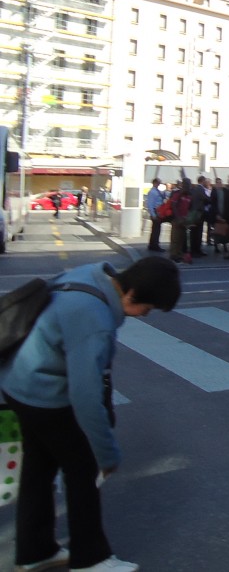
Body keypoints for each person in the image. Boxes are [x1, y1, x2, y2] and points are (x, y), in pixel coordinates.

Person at [0, 256, 181, 572]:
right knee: (83, 471)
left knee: (38, 469)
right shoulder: (93, 318)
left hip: (18, 383)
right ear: (131, 294)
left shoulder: (92, 275)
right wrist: (106, 455)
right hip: (44, 394)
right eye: (148, 308)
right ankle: (90, 559)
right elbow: (85, 397)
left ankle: (35, 552)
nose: (144, 315)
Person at [168, 178, 193, 263]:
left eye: (189, 185)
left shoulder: (189, 196)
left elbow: (189, 207)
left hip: (184, 219)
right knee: (175, 237)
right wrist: (178, 218)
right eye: (188, 185)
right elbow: (173, 205)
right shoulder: (177, 194)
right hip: (177, 220)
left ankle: (179, 253)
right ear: (184, 185)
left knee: (181, 238)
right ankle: (173, 254)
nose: (189, 187)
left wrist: (188, 218)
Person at [143, 178, 166, 253]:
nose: (159, 184)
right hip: (156, 211)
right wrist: (153, 214)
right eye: (158, 182)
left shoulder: (157, 191)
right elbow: (150, 204)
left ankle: (152, 244)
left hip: (158, 211)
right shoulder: (152, 192)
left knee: (156, 229)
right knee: (156, 230)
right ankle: (154, 245)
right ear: (155, 183)